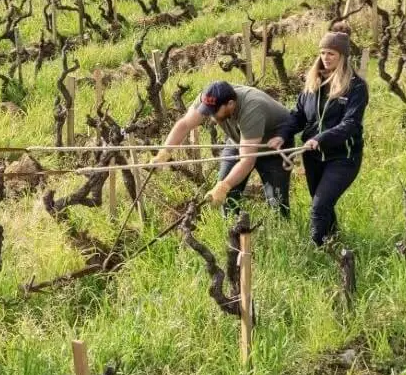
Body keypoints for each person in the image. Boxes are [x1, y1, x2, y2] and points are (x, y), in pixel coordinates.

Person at [279, 25, 369, 246]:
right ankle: (335, 243)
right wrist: (282, 135)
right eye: (322, 53)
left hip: (343, 157)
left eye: (331, 54)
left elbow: (350, 124)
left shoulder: (356, 87)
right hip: (313, 157)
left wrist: (320, 139)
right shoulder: (313, 83)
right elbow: (298, 115)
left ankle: (316, 250)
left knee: (319, 206)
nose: (325, 58)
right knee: (323, 204)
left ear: (343, 57)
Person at [154, 80, 292, 216]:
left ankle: (280, 232)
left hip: (274, 147)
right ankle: (232, 232)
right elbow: (184, 125)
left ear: (231, 104)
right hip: (239, 140)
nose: (210, 115)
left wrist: (224, 186)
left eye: (214, 111)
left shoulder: (252, 108)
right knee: (226, 198)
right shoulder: (210, 98)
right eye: (208, 110)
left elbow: (247, 161)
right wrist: (164, 153)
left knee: (277, 203)